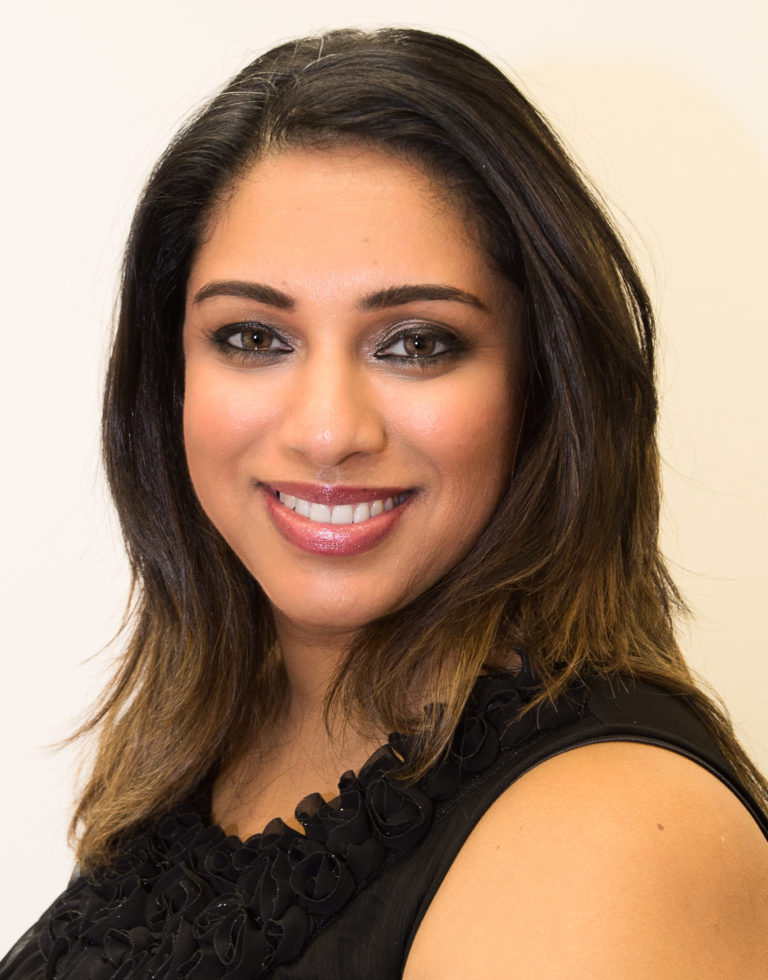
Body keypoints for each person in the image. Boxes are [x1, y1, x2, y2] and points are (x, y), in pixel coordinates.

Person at [2, 26, 767, 979]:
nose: (328, 431)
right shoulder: (211, 745)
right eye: (253, 338)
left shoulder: (607, 838)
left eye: (416, 344)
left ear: (543, 385)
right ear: (169, 382)